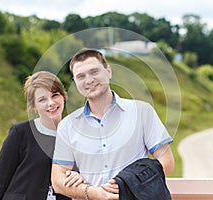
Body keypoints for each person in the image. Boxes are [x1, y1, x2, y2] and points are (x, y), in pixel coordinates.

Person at [51, 49, 175, 199]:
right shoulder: (67, 126)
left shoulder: (142, 112)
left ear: (108, 71)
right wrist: (93, 192)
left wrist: (125, 185)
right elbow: (57, 180)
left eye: (94, 71)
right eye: (81, 76)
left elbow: (167, 162)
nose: (89, 80)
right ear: (75, 82)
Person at [0, 71, 84, 200]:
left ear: (63, 96)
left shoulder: (77, 136)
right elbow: (0, 182)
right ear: (34, 106)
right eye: (42, 99)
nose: (51, 103)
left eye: (55, 95)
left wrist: (80, 176)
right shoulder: (20, 133)